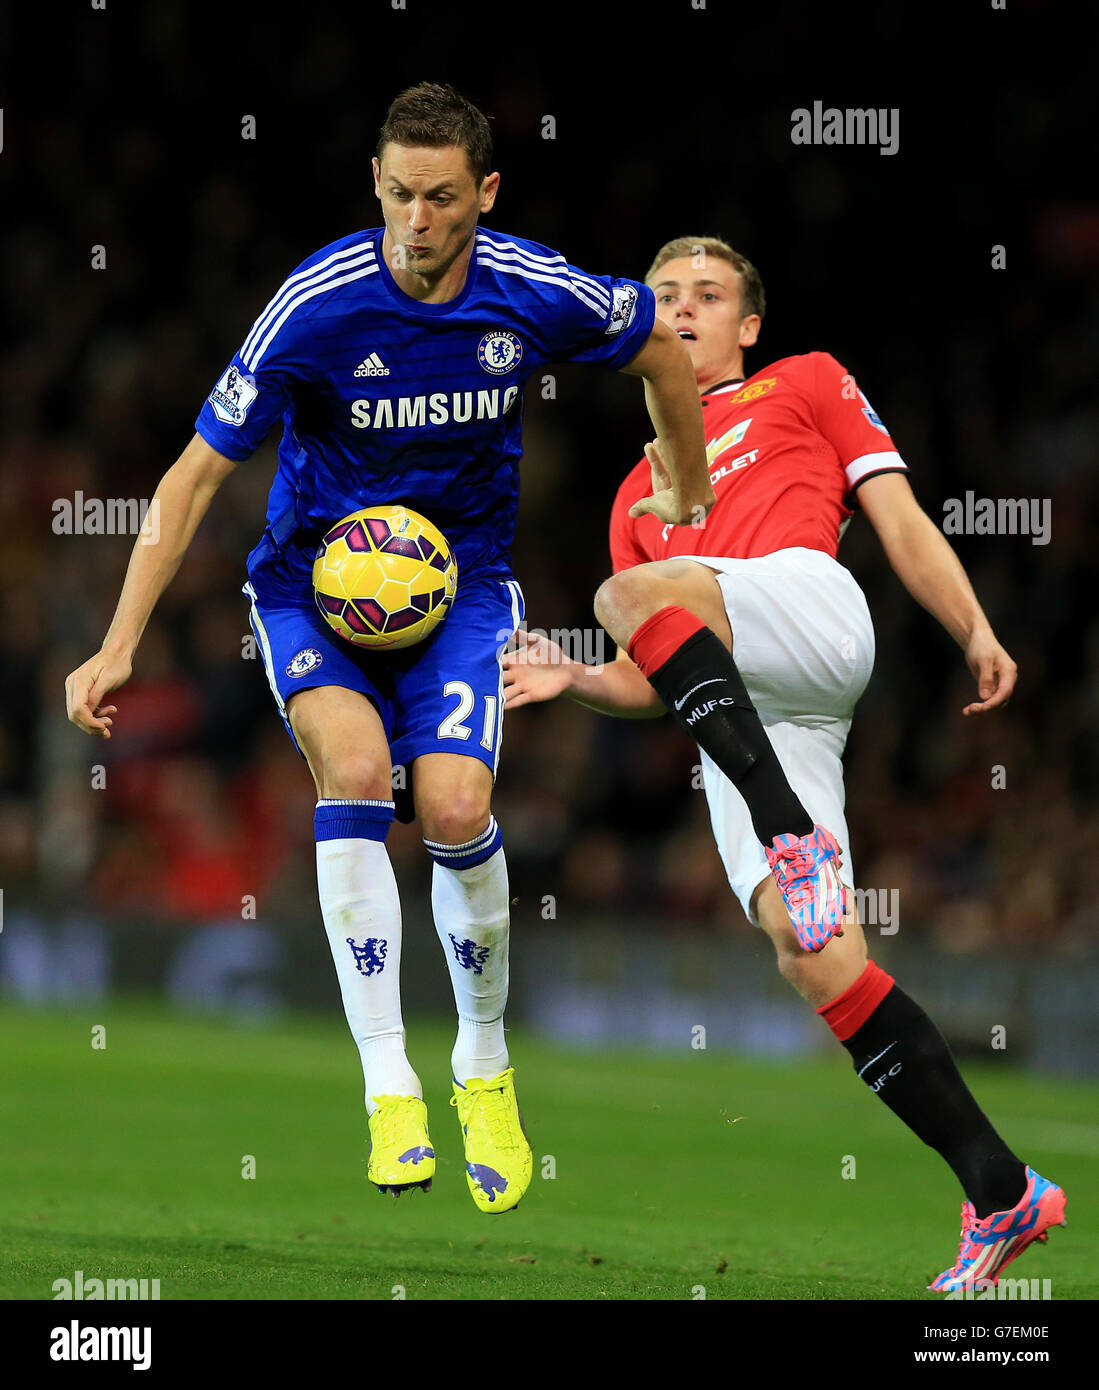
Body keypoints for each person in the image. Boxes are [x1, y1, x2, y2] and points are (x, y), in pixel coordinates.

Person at [63, 84, 717, 1215]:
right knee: (359, 776)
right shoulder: (315, 308)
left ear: (486, 194)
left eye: (445, 198)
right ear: (378, 185)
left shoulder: (532, 291)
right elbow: (190, 479)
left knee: (458, 807)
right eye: (402, 194)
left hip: (459, 593)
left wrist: (687, 483)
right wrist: (116, 642)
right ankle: (387, 1085)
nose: (420, 220)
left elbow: (659, 345)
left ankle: (482, 1064)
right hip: (311, 596)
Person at [502, 235, 1067, 1287]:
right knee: (816, 959)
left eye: (706, 296)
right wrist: (576, 681)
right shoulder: (636, 492)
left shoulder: (803, 383)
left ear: (746, 325)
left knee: (624, 597)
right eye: (662, 296)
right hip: (758, 722)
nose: (680, 311)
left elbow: (896, 518)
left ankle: (787, 830)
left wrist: (975, 628)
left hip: (812, 612)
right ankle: (1000, 1188)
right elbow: (650, 674)